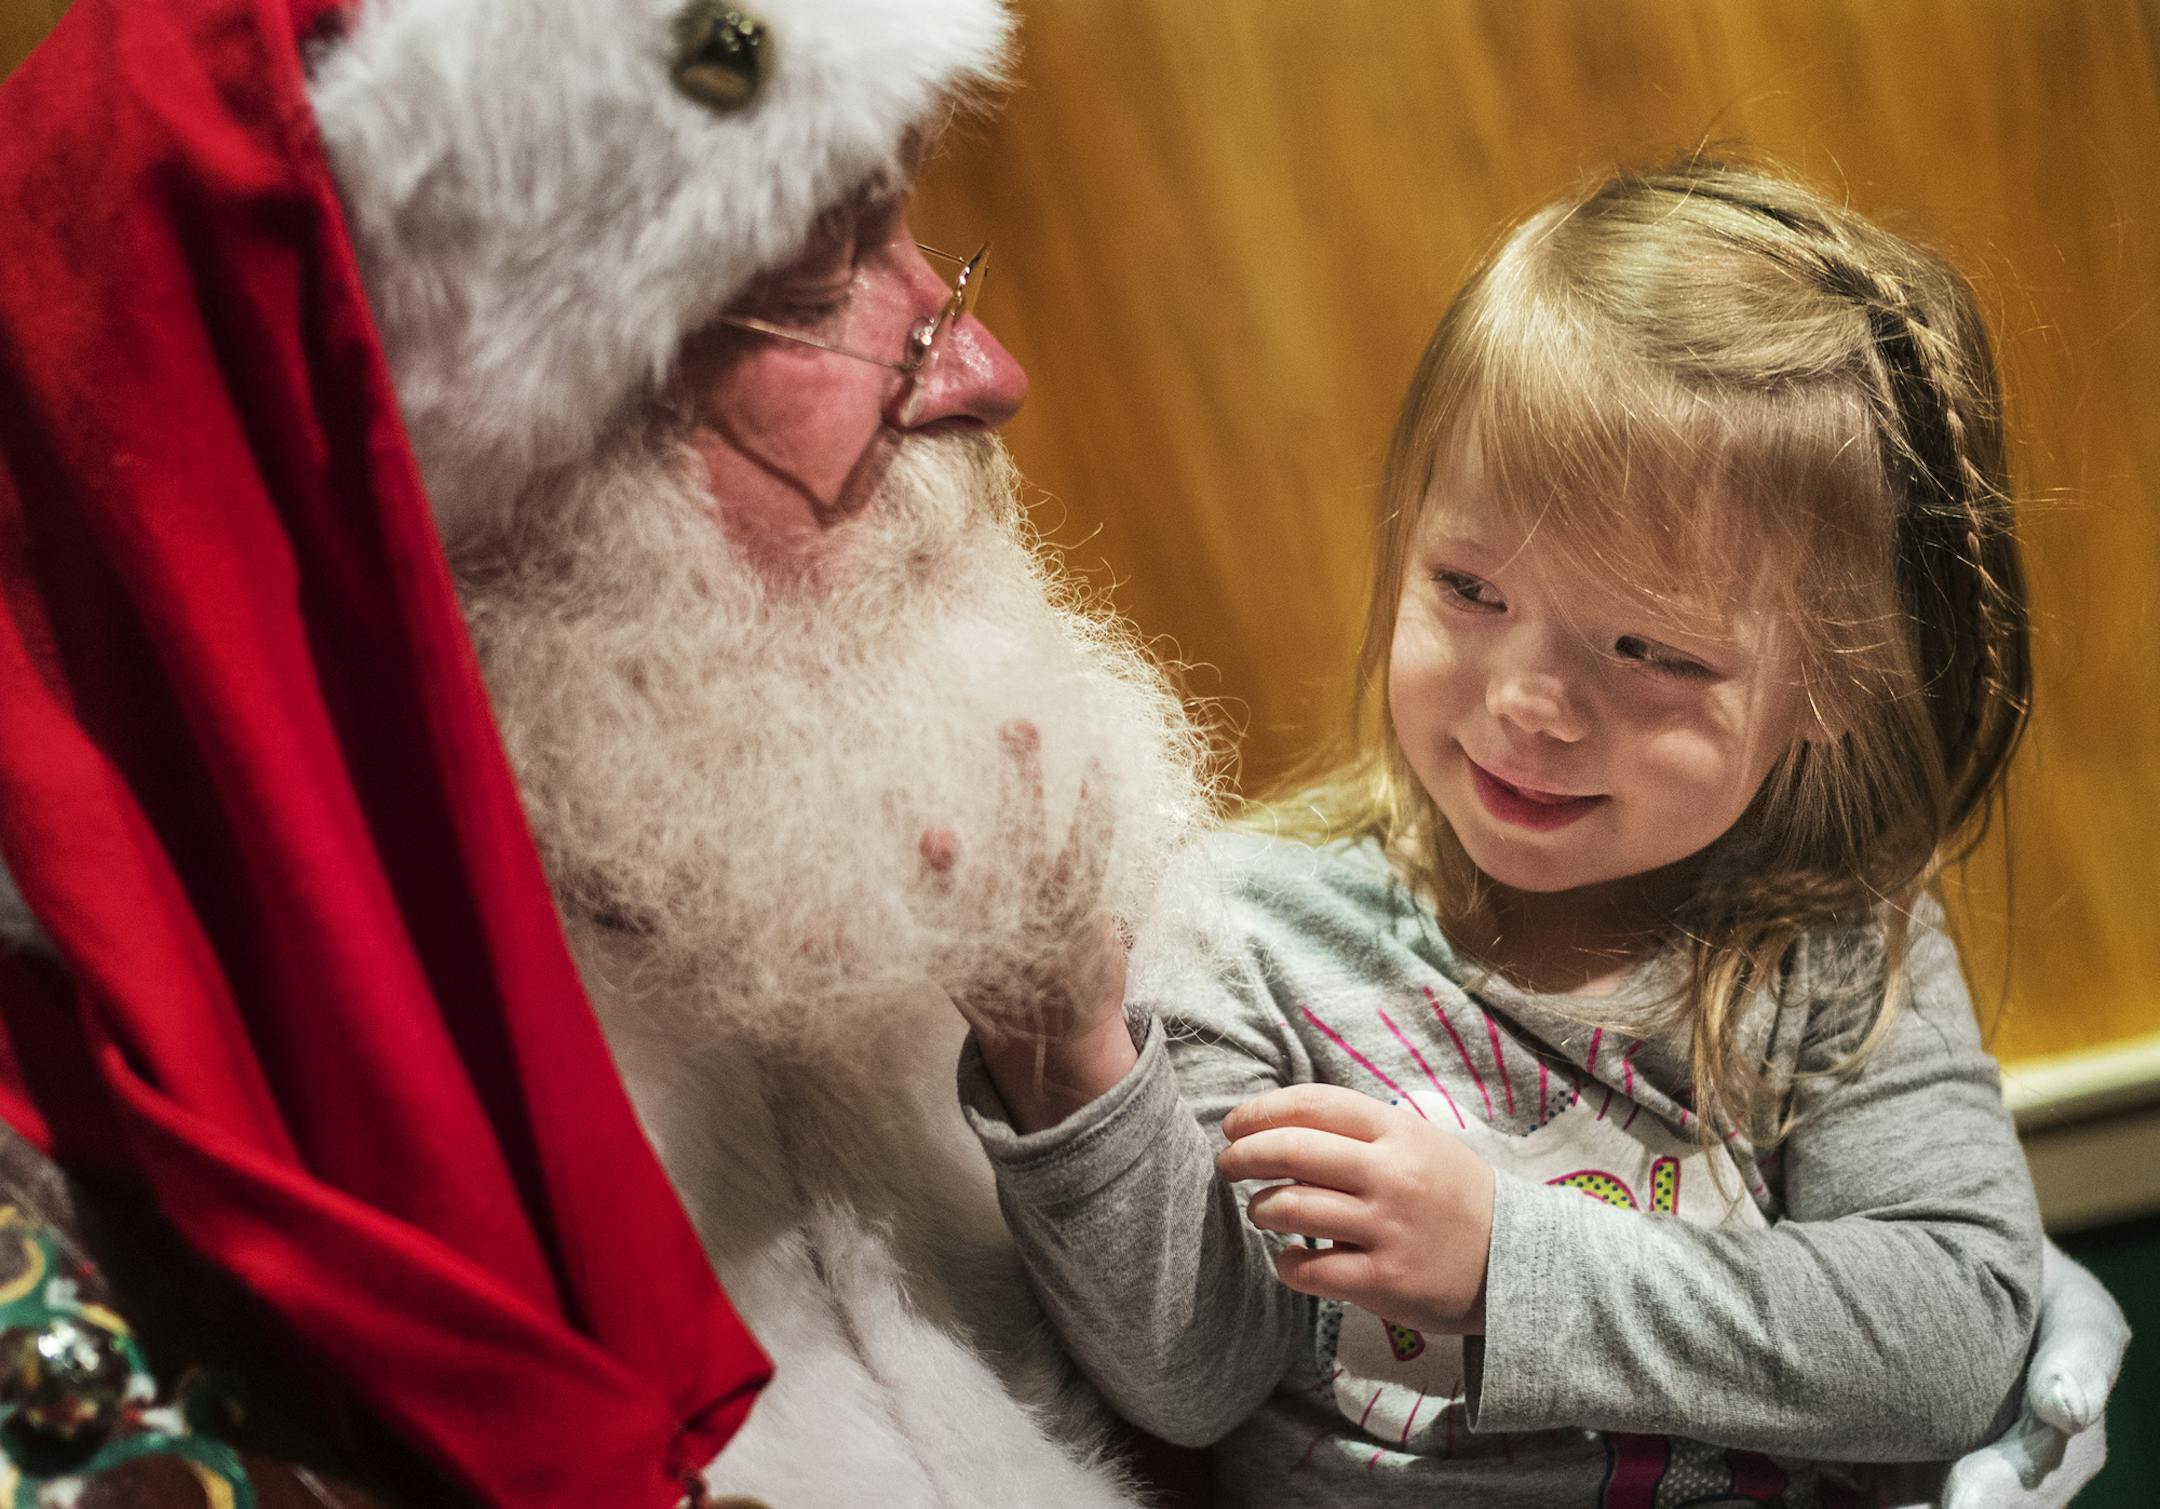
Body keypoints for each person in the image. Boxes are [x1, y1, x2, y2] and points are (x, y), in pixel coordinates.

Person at [0, 0, 1207, 1503]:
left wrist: (1075, 1088)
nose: (981, 368)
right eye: (814, 273)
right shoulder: (66, 1245)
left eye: (908, 231)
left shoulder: (818, 821)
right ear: (462, 475)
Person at [958, 158, 2131, 1508]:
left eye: (1650, 650)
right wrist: (1070, 1059)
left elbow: (1955, 1344)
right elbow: (1193, 1376)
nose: (1527, 703)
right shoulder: (1246, 929)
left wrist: (1509, 1265)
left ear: (1829, 689)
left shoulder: (1837, 946)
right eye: (1469, 587)